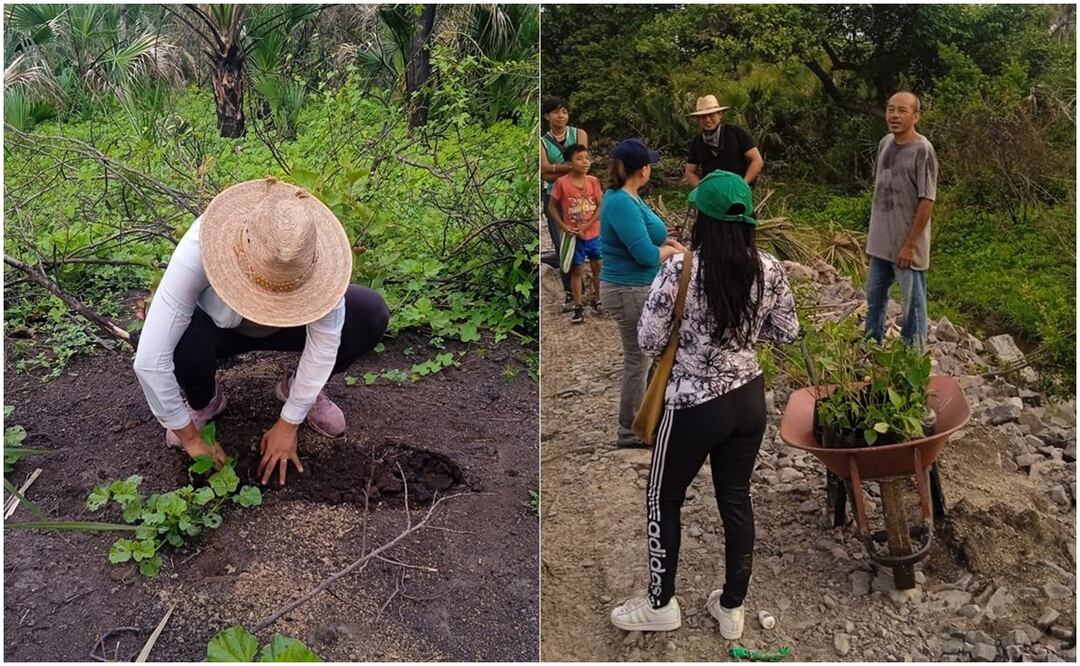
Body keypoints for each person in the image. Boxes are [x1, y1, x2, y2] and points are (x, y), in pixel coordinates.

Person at [609, 170, 798, 638]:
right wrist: (742, 337)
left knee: (663, 498)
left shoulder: (680, 269)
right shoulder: (770, 268)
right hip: (748, 400)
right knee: (735, 497)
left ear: (703, 219)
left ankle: (660, 604)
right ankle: (732, 608)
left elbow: (649, 340)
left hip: (692, 405)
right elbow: (787, 332)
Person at [133, 177, 390, 487]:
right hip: (219, 329)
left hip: (289, 328)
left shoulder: (317, 261)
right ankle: (204, 399)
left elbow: (325, 344)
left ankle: (298, 388)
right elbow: (150, 360)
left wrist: (290, 421)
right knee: (178, 338)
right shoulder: (200, 247)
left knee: (369, 312)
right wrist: (189, 437)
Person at [599, 139, 686, 447]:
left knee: (650, 355)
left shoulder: (628, 197)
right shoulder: (621, 202)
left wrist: (666, 245)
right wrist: (670, 251)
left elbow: (646, 242)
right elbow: (646, 256)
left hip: (637, 287)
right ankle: (630, 429)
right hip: (628, 289)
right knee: (638, 359)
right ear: (643, 169)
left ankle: (648, 420)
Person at [864, 91, 938, 349]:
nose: (894, 115)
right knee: (874, 299)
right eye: (891, 109)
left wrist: (910, 245)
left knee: (913, 306)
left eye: (902, 111)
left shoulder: (922, 150)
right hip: (880, 244)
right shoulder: (885, 143)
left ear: (916, 116)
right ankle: (870, 348)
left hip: (907, 247)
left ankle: (914, 356)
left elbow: (927, 201)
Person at [540, 97, 589, 307]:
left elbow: (582, 164)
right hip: (554, 197)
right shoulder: (542, 142)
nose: (561, 116)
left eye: (565, 112)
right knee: (562, 245)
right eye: (556, 112)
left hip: (578, 196)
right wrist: (569, 167)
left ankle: (583, 288)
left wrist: (554, 169)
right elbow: (543, 173)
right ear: (547, 116)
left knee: (581, 240)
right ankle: (570, 290)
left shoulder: (579, 134)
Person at [548, 144, 603, 324]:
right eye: (579, 159)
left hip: (594, 234)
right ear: (569, 163)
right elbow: (552, 207)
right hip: (574, 237)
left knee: (597, 266)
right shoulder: (562, 183)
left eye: (587, 158)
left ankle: (598, 298)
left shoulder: (593, 181)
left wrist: (588, 224)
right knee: (577, 269)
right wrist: (563, 227)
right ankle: (578, 306)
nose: (585, 162)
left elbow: (600, 206)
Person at [684, 95, 764, 186]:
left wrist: (743, 183)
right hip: (713, 191)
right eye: (703, 116)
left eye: (711, 115)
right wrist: (702, 188)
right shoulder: (697, 142)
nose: (707, 120)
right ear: (698, 119)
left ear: (720, 114)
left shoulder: (736, 133)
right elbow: (689, 172)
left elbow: (757, 160)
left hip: (739, 190)